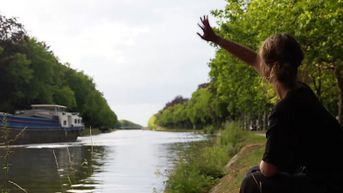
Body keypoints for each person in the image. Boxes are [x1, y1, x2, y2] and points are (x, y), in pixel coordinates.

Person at [197, 15, 343, 193]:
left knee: (252, 182)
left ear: (269, 68)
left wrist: (216, 39)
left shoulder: (285, 109)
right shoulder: (303, 91)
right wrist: (217, 39)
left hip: (329, 184)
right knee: (254, 173)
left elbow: (268, 169)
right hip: (331, 175)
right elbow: (252, 59)